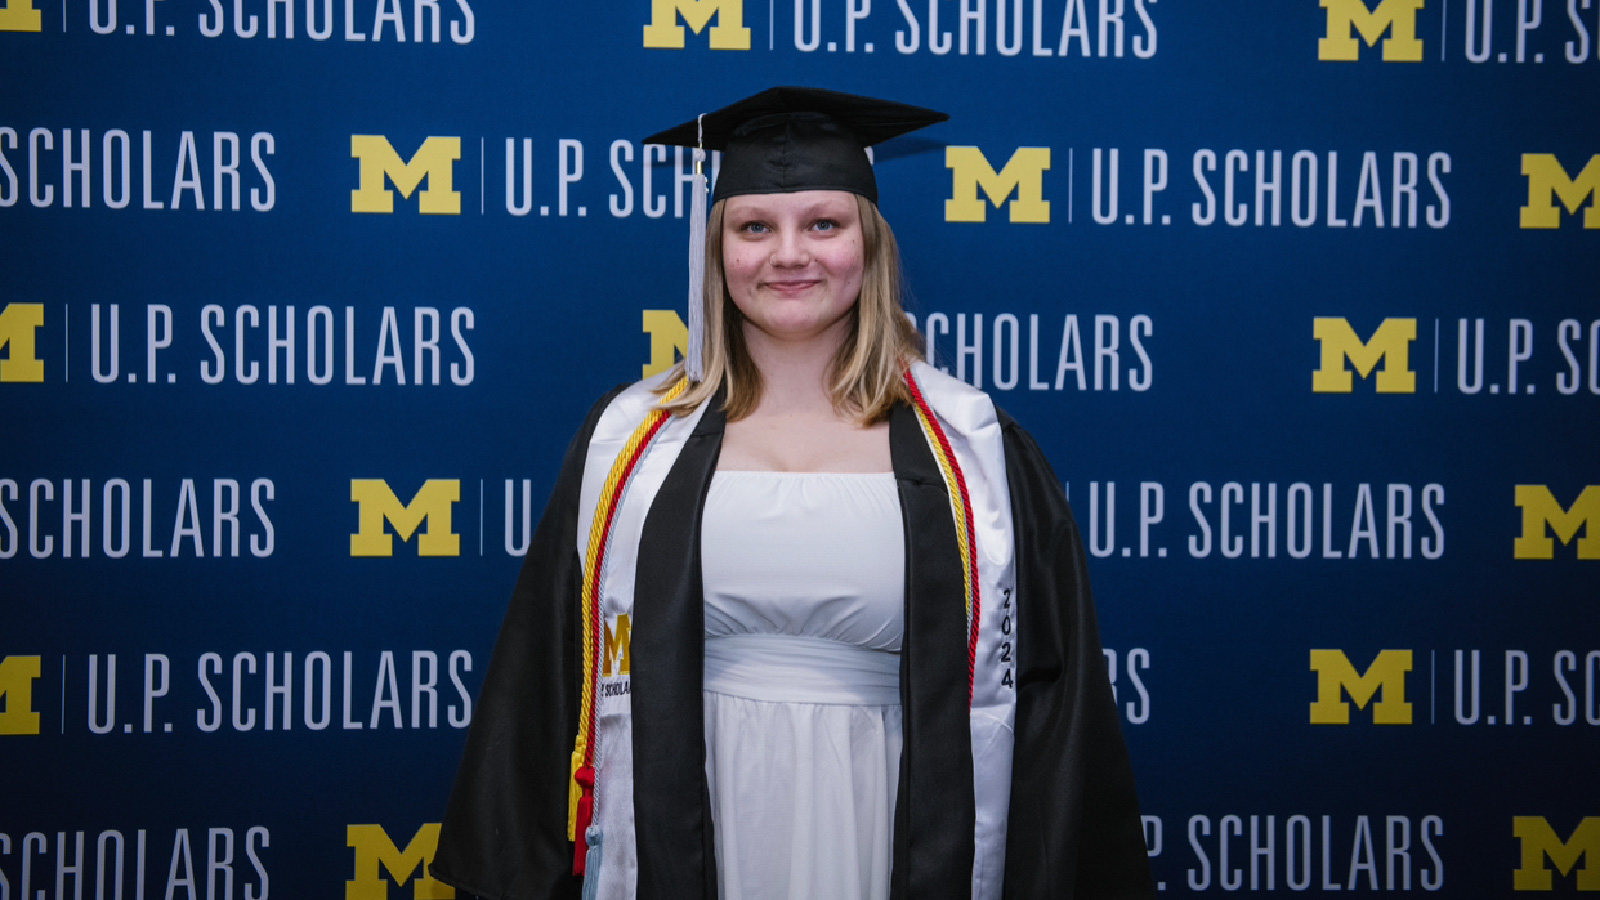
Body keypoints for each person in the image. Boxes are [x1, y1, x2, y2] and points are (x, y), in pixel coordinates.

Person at [431, 86, 1155, 900]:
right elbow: (548, 679)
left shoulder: (975, 454)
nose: (788, 255)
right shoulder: (630, 445)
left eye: (822, 223)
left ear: (869, 244)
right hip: (684, 819)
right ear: (718, 252)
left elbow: (1055, 709)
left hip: (891, 817)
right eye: (754, 228)